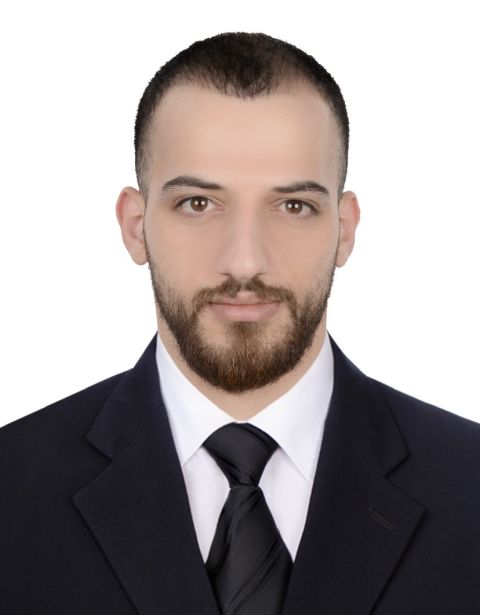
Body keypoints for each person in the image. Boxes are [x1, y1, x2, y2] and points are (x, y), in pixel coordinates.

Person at [1, 31, 479, 615]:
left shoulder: (470, 484)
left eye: (294, 206)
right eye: (198, 204)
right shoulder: (12, 488)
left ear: (344, 229)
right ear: (135, 226)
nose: (245, 262)